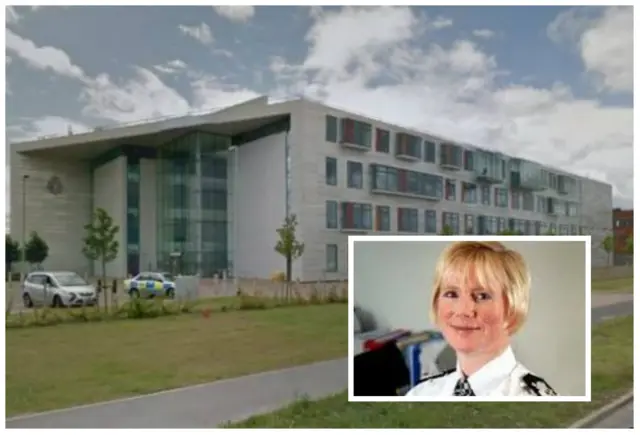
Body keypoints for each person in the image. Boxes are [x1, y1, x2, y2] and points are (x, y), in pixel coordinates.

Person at [406, 241, 557, 397]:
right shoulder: (420, 395)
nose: (463, 310)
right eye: (451, 294)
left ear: (512, 308)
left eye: (482, 296)